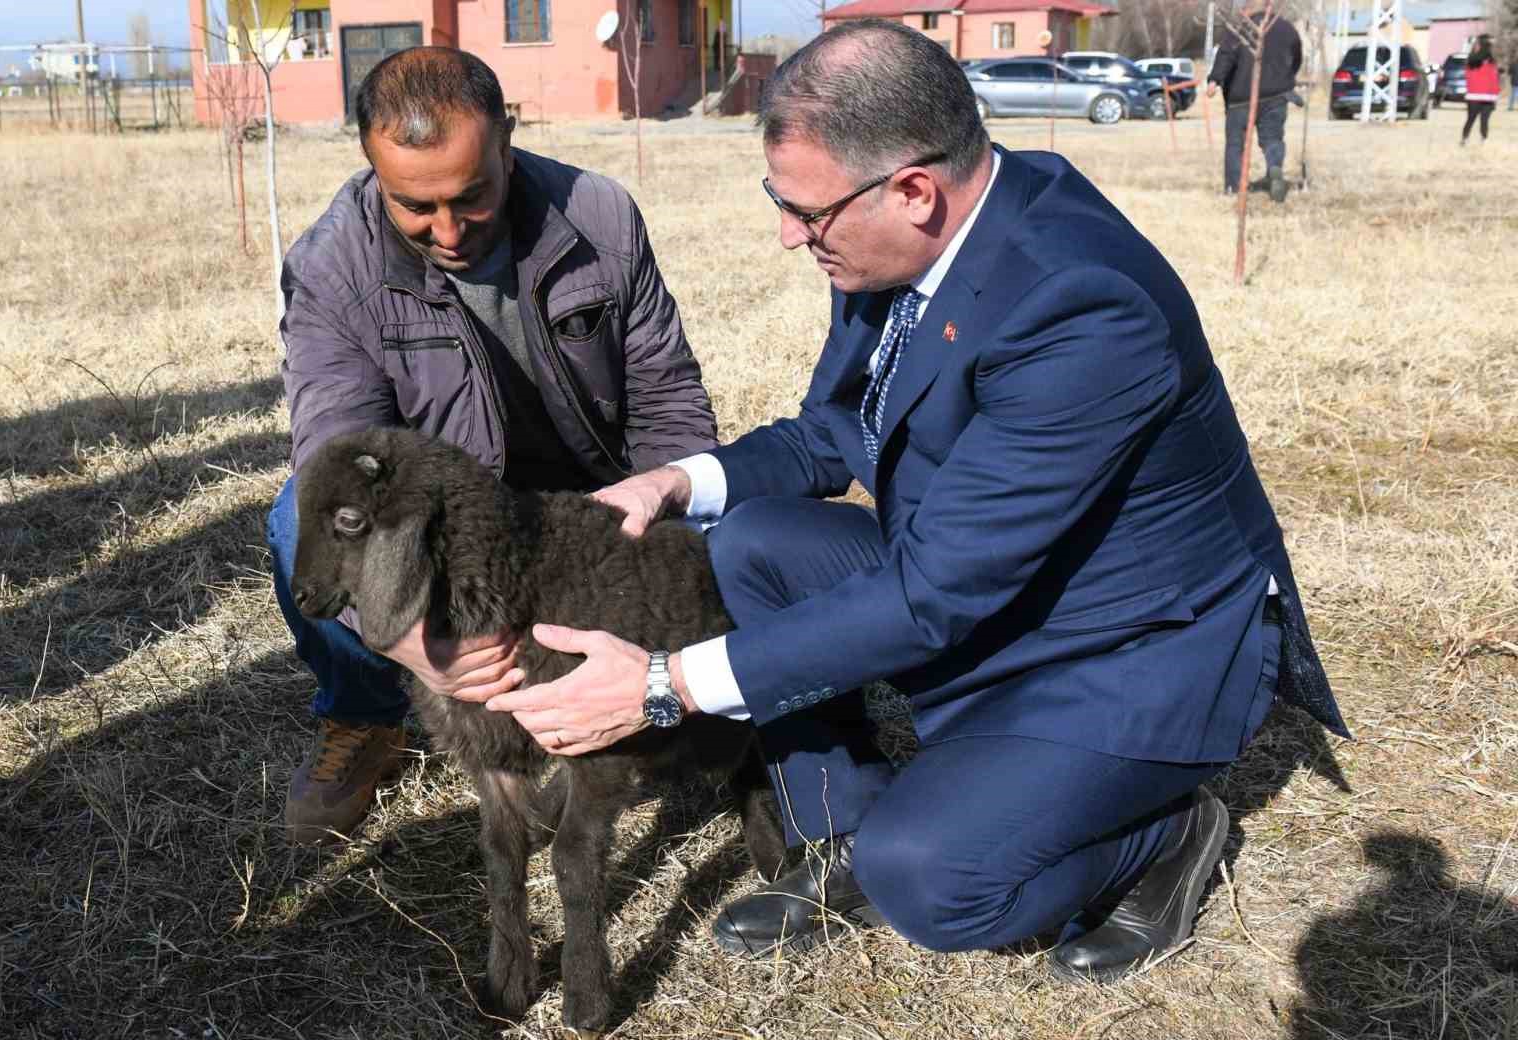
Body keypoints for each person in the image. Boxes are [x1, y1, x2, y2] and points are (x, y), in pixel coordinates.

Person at [483, 19, 1349, 984]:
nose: (787, 233)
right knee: (756, 539)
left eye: (802, 211)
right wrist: (681, 480)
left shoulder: (1081, 306)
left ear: (913, 189)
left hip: (1127, 644)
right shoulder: (894, 245)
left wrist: (662, 684)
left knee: (934, 882)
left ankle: (1164, 833)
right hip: (992, 581)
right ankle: (836, 833)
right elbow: (835, 428)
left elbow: (934, 594)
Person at [269, 47, 718, 846]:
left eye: (471, 196)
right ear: (373, 168)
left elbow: (667, 397)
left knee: (730, 519)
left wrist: (672, 506)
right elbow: (339, 448)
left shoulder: (600, 219)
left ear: (506, 140)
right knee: (290, 520)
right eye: (415, 205)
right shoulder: (332, 265)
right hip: (453, 512)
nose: (447, 230)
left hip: (593, 490)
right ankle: (367, 715)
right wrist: (399, 632)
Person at [1206, 0, 1303, 202]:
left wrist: (1215, 79)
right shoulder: (1286, 28)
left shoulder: (1239, 29)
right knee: (1272, 139)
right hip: (1277, 94)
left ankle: (1234, 186)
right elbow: (1297, 57)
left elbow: (1226, 56)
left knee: (1235, 144)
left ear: (1247, 7)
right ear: (1270, 6)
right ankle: (1274, 168)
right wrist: (1287, 78)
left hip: (1241, 97)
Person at [1462, 35, 1499, 144]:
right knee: (1478, 119)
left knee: (1474, 119)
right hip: (1482, 94)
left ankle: (1471, 138)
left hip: (1483, 95)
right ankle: (1475, 139)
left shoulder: (1483, 60)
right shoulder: (1476, 60)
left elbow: (1493, 78)